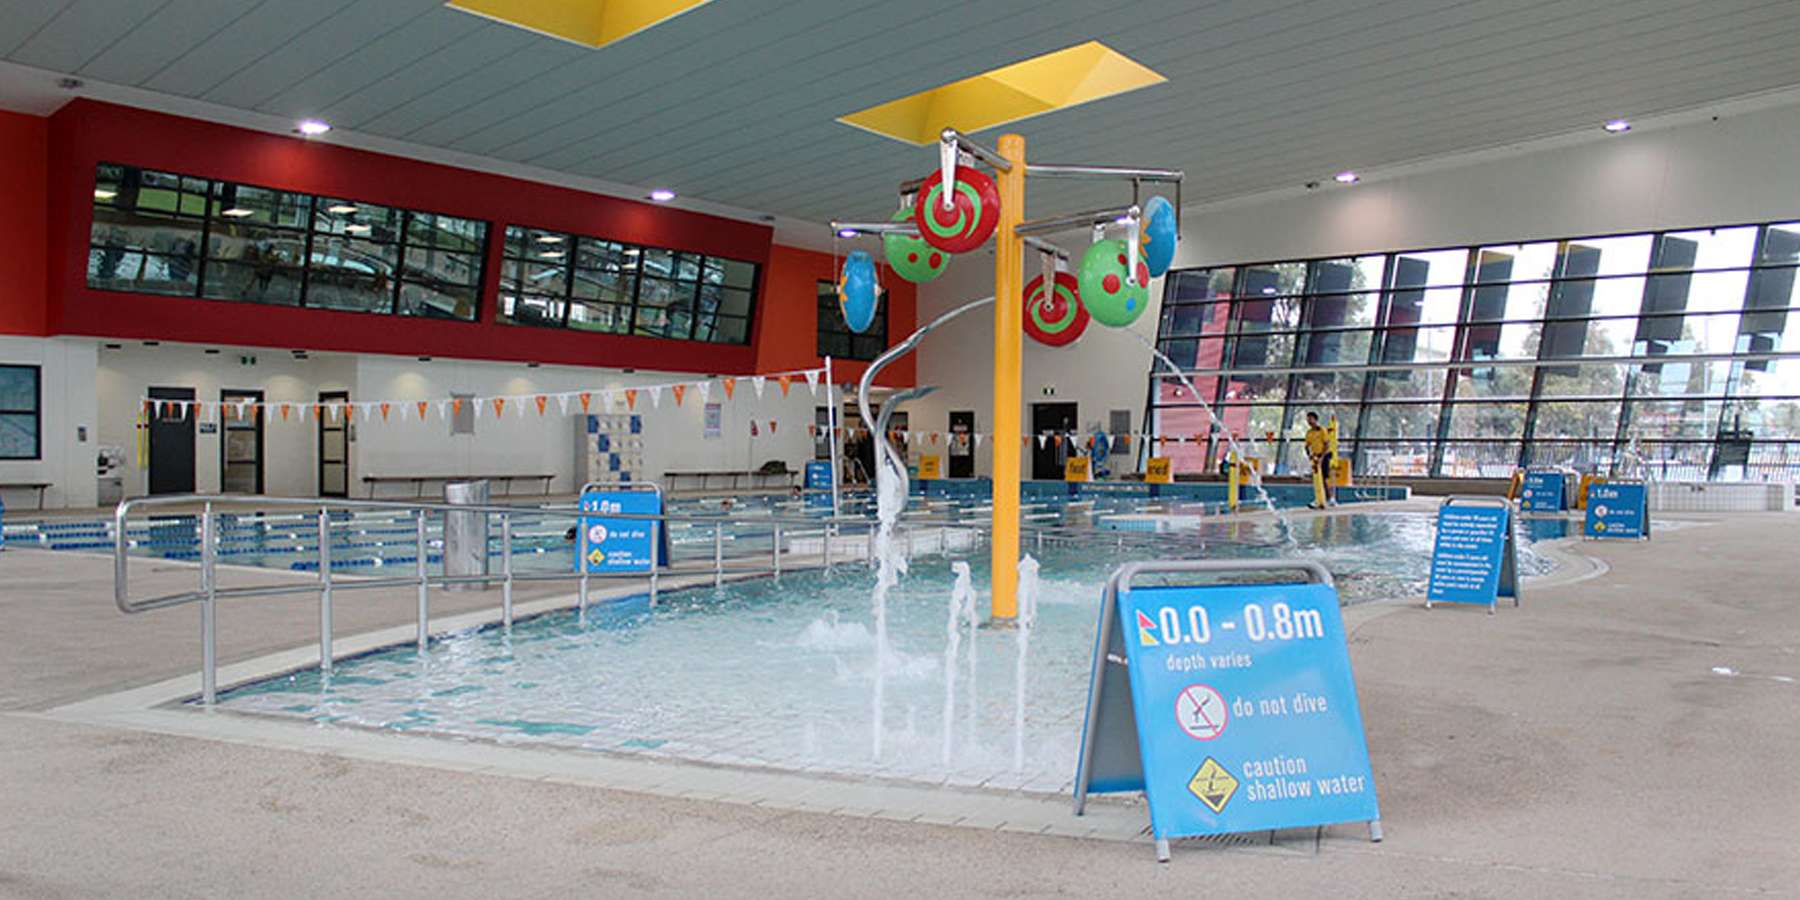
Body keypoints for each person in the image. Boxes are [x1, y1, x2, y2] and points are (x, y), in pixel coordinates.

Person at [1304, 412, 1334, 509]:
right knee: (1317, 479)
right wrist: (1310, 455)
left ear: (1315, 419)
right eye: (1307, 419)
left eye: (1310, 419)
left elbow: (1326, 445)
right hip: (1315, 457)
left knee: (1324, 478)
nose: (1308, 421)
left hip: (1324, 455)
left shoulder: (1322, 430)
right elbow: (1307, 446)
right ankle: (1319, 499)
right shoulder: (1309, 433)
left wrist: (1322, 457)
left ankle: (1330, 498)